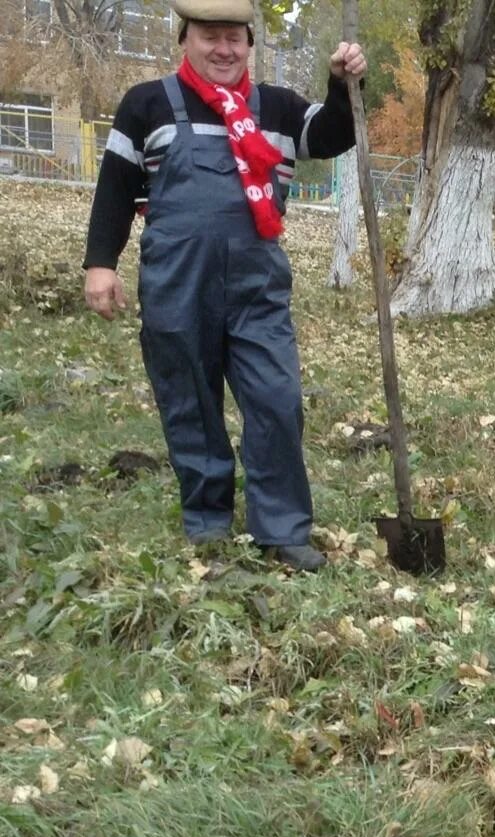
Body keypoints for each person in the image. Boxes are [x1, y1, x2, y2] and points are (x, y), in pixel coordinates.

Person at [82, 0, 367, 572]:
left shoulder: (279, 110)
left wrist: (344, 84)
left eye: (235, 38)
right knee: (189, 401)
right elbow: (115, 187)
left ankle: (282, 530)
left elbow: (335, 135)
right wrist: (101, 263)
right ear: (184, 38)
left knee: (277, 401)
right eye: (211, 36)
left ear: (249, 45)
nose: (224, 49)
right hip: (175, 284)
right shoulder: (147, 105)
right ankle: (208, 522)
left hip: (257, 288)